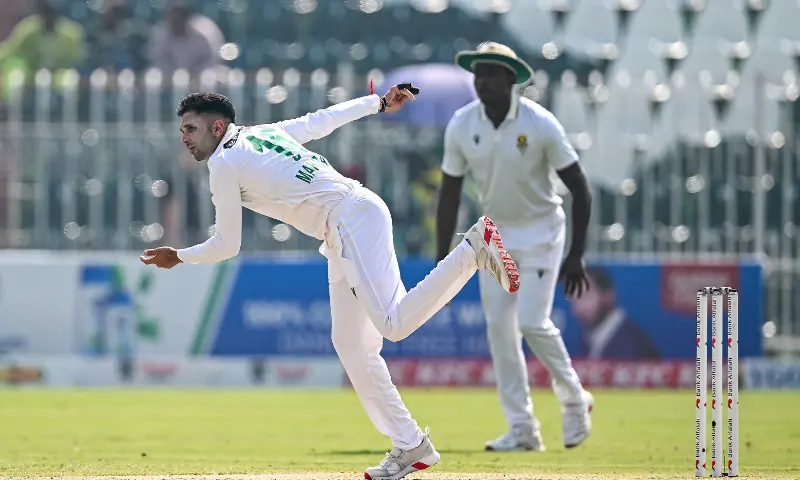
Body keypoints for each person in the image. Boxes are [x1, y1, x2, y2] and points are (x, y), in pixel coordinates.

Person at [140, 84, 522, 480]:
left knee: (394, 324)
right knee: (352, 345)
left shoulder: (223, 163)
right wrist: (376, 103)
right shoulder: (262, 133)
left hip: (349, 220)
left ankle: (472, 250)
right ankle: (410, 444)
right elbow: (320, 121)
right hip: (349, 218)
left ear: (216, 127)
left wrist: (179, 255)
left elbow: (226, 244)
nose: (184, 138)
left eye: (190, 129)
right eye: (182, 130)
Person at [435, 42, 595, 452]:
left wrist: (576, 254)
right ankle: (522, 428)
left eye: (490, 73)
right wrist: (442, 262)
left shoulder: (540, 124)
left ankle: (575, 398)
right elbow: (449, 194)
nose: (482, 80)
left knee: (531, 322)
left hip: (541, 231)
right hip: (494, 236)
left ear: (511, 78)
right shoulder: (461, 124)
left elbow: (580, 188)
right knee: (499, 331)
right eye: (478, 73)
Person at [569, 267, 661, 360]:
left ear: (609, 295)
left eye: (585, 297)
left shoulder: (633, 346)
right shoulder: (588, 339)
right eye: (573, 300)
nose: (578, 308)